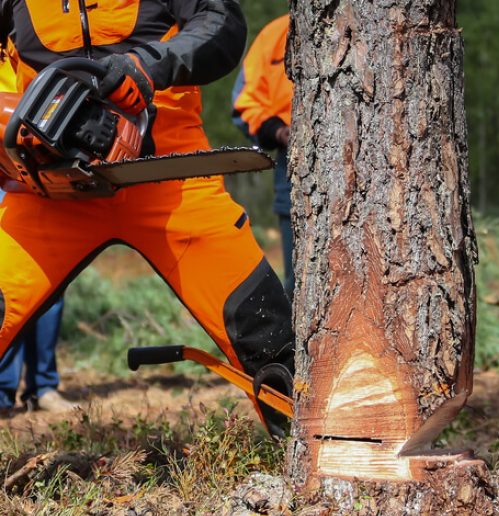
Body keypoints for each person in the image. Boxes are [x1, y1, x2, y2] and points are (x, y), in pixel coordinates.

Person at [0, 1, 293, 436]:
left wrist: (147, 66)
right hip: (51, 186)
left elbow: (222, 23)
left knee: (261, 327)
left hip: (168, 171)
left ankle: (327, 453)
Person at [0, 57, 71, 416]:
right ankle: (2, 389)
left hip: (41, 156)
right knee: (6, 284)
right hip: (3, 161)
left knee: (51, 282)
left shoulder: (28, 23)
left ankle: (43, 385)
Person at [232, 14, 294, 297]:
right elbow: (245, 102)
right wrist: (279, 131)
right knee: (301, 283)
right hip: (295, 164)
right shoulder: (275, 35)